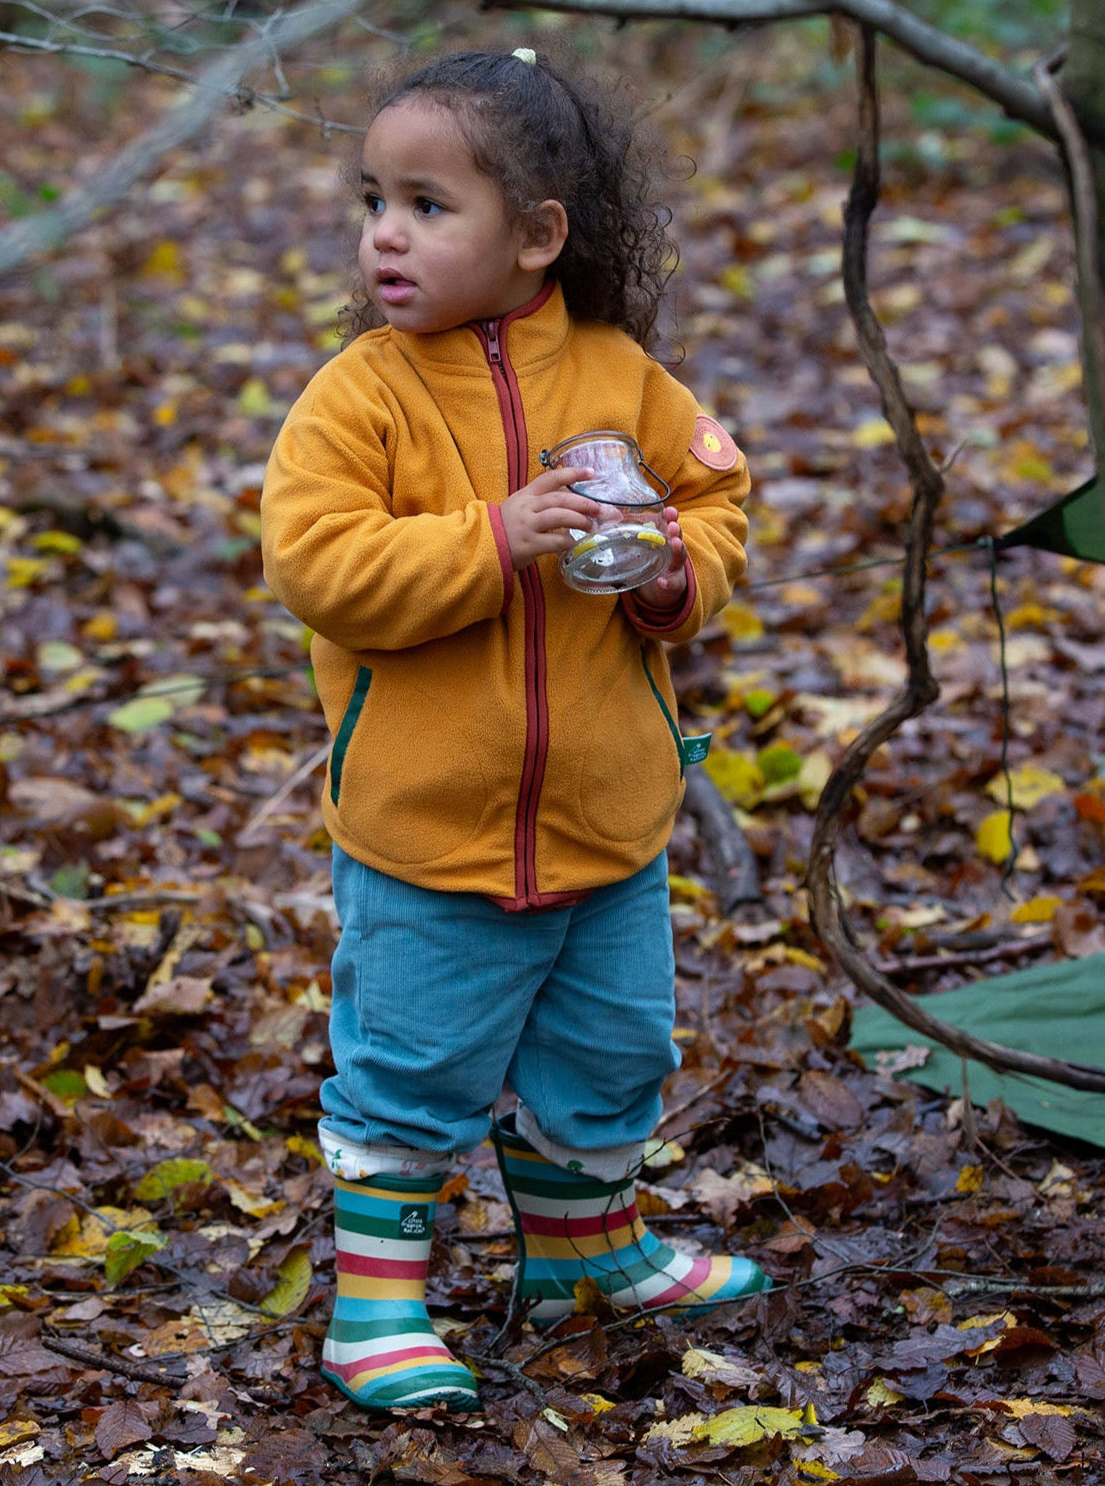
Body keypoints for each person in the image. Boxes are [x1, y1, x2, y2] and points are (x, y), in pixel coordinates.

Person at [260, 46, 770, 1414]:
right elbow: (321, 567)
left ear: (537, 234)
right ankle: (376, 1306)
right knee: (411, 1069)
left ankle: (586, 1254)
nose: (383, 231)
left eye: (428, 204)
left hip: (606, 820)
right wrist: (497, 537)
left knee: (610, 1051)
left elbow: (716, 496)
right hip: (429, 831)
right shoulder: (358, 396)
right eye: (374, 197)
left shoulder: (620, 375)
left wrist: (672, 572)